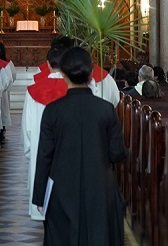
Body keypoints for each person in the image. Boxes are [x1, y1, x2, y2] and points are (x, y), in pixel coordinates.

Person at [33, 47, 127, 246]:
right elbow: (117, 152)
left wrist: (40, 196)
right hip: (100, 187)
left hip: (62, 187)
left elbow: (44, 156)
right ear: (91, 73)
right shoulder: (105, 109)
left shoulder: (52, 111)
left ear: (64, 75)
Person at [22, 41, 69, 221]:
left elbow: (27, 126)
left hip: (40, 148)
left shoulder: (34, 90)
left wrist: (29, 150)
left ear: (47, 64)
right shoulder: (75, 91)